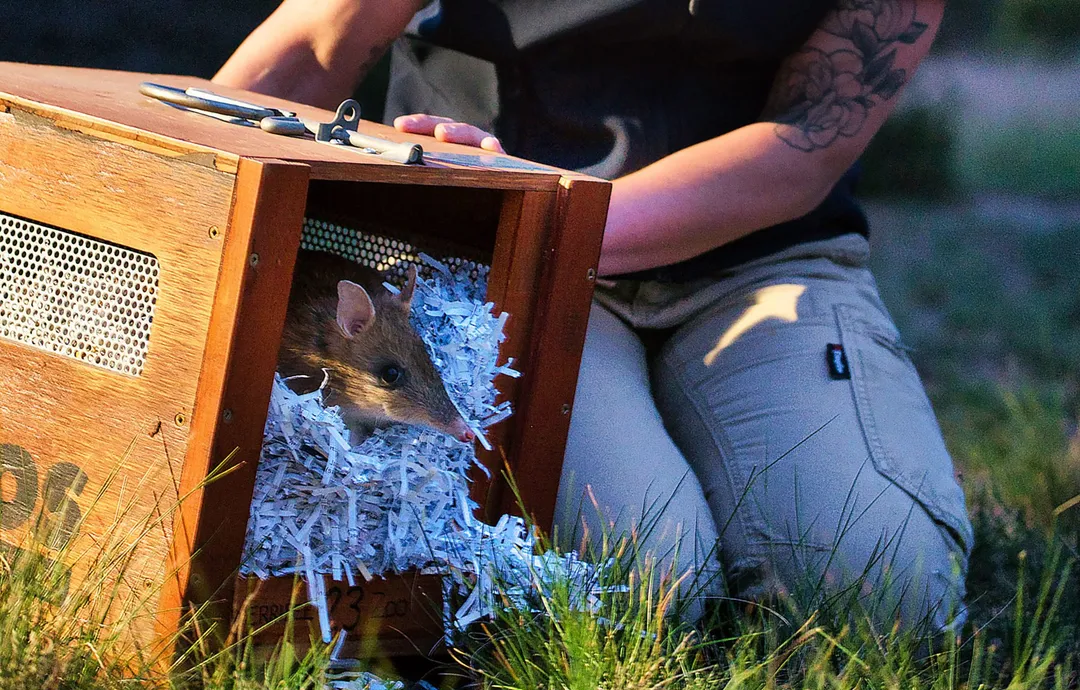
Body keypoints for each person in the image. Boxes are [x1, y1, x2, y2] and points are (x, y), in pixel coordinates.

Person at [215, 0, 973, 632]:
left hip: (761, 261)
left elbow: (806, 144)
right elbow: (315, 45)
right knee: (648, 584)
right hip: (495, 253)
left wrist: (551, 214)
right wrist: (180, 195)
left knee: (884, 591)